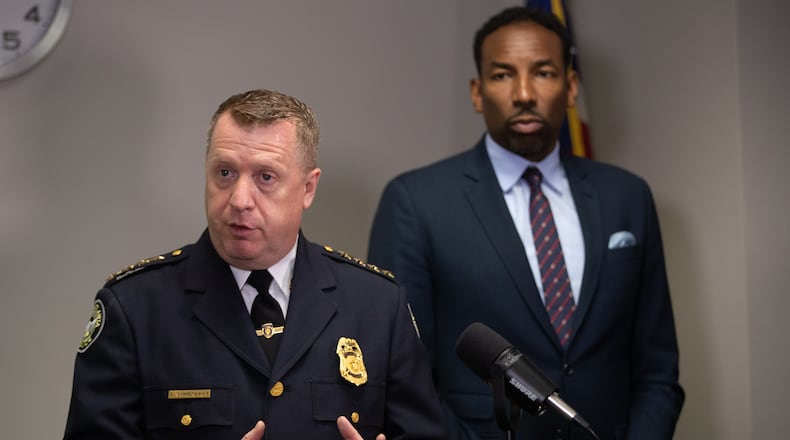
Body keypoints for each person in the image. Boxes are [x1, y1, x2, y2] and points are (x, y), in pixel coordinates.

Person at [367, 7, 684, 440]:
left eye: (543, 73)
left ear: (571, 87)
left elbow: (657, 369)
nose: (523, 93)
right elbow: (402, 376)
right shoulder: (416, 202)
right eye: (501, 76)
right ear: (477, 93)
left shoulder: (627, 197)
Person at [64, 89, 446, 440]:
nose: (240, 199)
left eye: (265, 177)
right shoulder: (134, 309)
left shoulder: (377, 306)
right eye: (225, 173)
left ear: (308, 188)